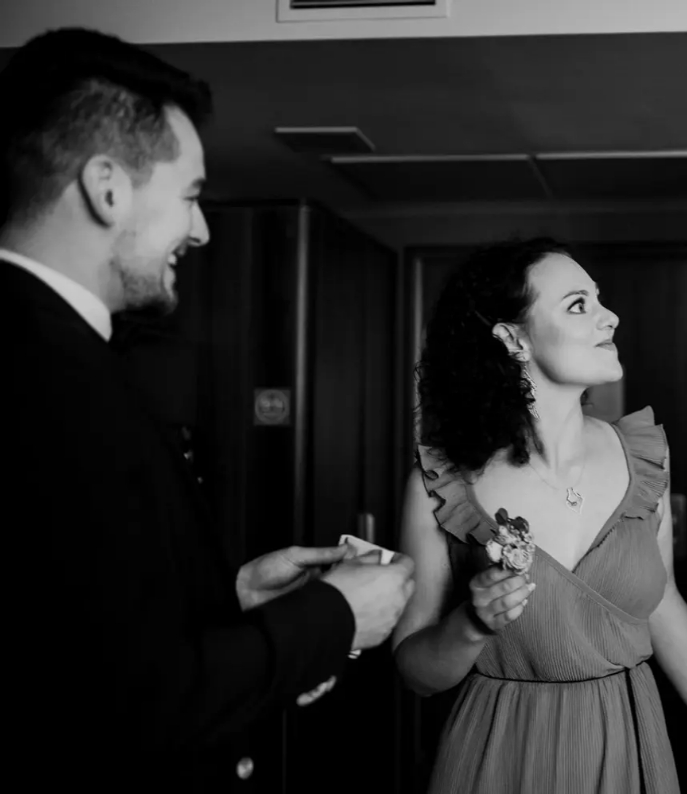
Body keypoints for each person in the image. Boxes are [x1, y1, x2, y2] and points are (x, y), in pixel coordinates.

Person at [0, 27, 416, 791]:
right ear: (106, 188)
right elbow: (128, 707)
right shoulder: (47, 374)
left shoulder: (77, 355)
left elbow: (74, 628)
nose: (201, 229)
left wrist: (231, 598)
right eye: (190, 196)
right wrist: (332, 617)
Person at [392, 237, 687, 794]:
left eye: (599, 299)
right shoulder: (440, 483)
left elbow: (661, 599)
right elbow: (414, 671)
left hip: (629, 740)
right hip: (501, 749)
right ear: (513, 339)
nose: (610, 317)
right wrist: (471, 624)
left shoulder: (645, 458)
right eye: (578, 304)